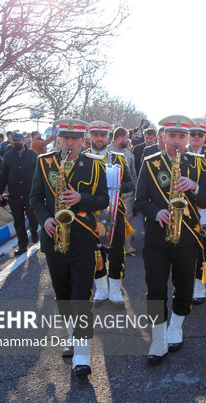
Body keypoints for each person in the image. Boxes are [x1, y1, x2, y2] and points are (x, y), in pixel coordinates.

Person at [29, 118, 108, 377]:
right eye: (66, 138)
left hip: (83, 237)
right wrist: (46, 219)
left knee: (81, 294)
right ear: (60, 139)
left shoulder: (96, 166)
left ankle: (83, 354)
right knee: (63, 294)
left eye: (75, 139)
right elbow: (35, 199)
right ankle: (72, 335)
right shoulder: (45, 162)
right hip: (54, 237)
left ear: (83, 140)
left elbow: (104, 200)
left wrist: (81, 199)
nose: (70, 143)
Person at [135, 115, 206, 365]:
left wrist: (195, 187)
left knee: (184, 287)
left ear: (188, 139)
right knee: (155, 288)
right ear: (163, 137)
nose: (176, 141)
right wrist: (156, 212)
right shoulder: (150, 162)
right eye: (172, 136)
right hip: (157, 237)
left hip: (187, 236)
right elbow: (139, 201)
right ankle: (157, 339)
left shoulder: (198, 164)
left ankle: (176, 326)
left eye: (182, 136)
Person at [87, 122, 135, 305]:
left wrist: (113, 188)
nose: (99, 138)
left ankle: (115, 290)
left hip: (115, 213)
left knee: (116, 253)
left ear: (108, 137)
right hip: (90, 216)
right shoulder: (82, 158)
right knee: (95, 252)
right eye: (95, 134)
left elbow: (130, 184)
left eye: (102, 135)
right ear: (90, 136)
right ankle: (101, 289)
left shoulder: (119, 158)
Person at [186, 118, 206, 305]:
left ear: (205, 136)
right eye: (193, 134)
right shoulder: (180, 152)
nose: (197, 137)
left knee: (205, 248)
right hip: (185, 209)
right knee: (185, 248)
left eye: (200, 134)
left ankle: (200, 285)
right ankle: (185, 283)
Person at [0, 133, 39, 255]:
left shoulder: (33, 155)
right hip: (14, 194)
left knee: (33, 218)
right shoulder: (8, 156)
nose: (16, 143)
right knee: (18, 221)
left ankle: (34, 231)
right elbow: (2, 175)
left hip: (30, 194)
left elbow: (40, 175)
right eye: (14, 141)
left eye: (19, 141)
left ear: (24, 141)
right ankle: (22, 245)